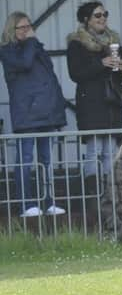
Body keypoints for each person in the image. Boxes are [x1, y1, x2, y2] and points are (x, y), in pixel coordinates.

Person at [0, 11, 67, 217]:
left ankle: (48, 201)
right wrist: (32, 43)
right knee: (25, 160)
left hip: (47, 112)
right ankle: (26, 204)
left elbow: (50, 73)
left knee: (46, 160)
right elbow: (25, 63)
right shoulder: (8, 51)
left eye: (29, 26)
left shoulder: (35, 47)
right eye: (22, 27)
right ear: (12, 29)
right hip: (26, 114)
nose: (28, 31)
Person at [67, 0, 122, 185]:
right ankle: (93, 194)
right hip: (91, 104)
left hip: (112, 103)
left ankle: (111, 193)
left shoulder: (114, 42)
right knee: (94, 150)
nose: (102, 18)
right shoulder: (76, 44)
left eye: (105, 14)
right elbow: (75, 73)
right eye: (97, 15)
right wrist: (100, 64)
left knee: (111, 151)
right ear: (86, 19)